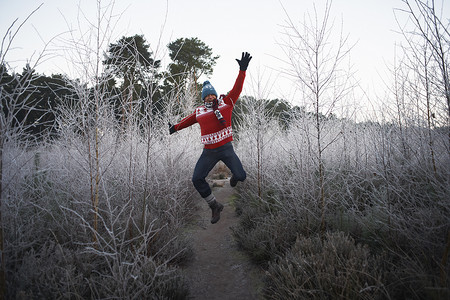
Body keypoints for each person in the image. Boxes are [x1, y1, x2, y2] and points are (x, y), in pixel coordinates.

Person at [169, 52, 252, 224]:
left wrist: (242, 70)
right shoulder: (200, 111)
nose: (210, 97)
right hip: (209, 152)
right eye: (206, 95)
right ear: (203, 98)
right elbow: (189, 120)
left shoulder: (226, 102)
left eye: (212, 94)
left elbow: (237, 88)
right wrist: (175, 128)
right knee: (196, 179)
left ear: (215, 94)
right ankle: (214, 206)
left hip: (226, 149)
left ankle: (234, 177)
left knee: (241, 176)